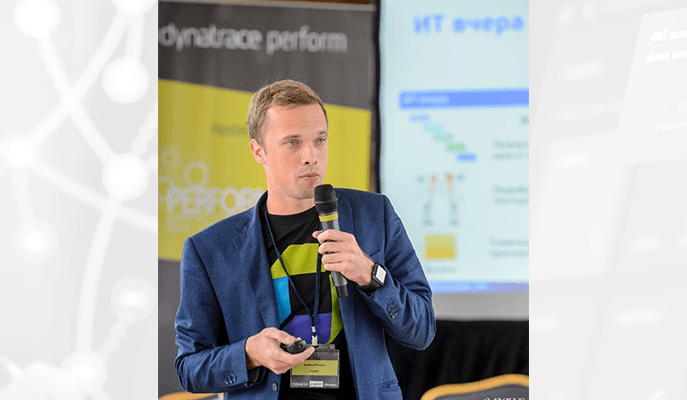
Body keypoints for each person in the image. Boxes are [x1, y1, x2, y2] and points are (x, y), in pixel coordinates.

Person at [174, 79, 435, 400]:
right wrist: (249, 353)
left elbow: (422, 331)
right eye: (293, 143)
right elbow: (189, 368)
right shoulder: (211, 249)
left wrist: (371, 275)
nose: (311, 156)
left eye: (320, 140)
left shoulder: (373, 215)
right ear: (258, 151)